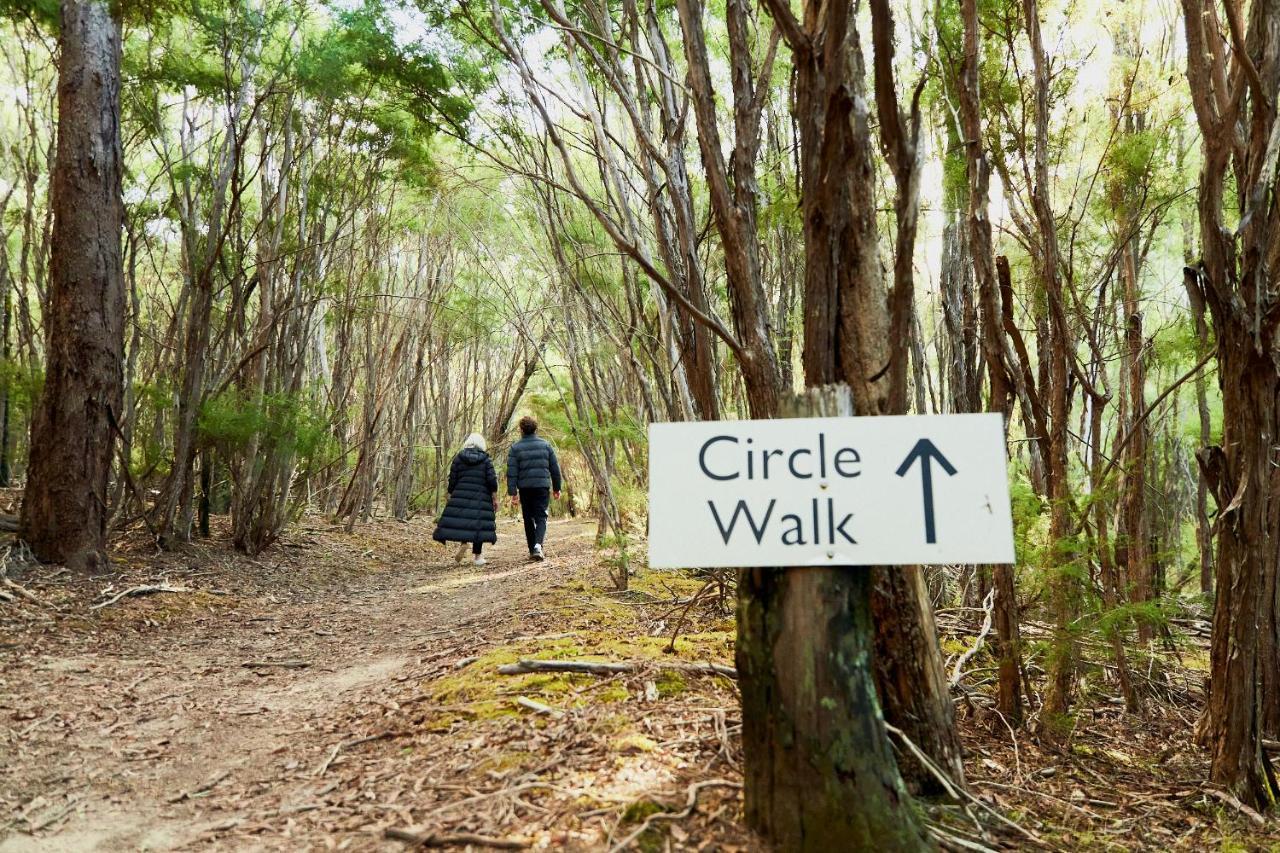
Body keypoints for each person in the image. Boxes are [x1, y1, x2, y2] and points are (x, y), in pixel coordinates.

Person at [432, 433, 498, 566]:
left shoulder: (459, 458)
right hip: (481, 496)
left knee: (464, 521)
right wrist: (494, 496)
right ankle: (478, 557)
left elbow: (453, 478)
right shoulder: (486, 460)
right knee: (478, 524)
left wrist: (450, 493)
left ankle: (464, 543)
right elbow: (491, 480)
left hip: (461, 494)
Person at [506, 416, 562, 560]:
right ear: (535, 429)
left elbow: (512, 471)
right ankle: (538, 546)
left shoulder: (515, 448)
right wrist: (557, 488)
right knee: (541, 516)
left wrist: (513, 493)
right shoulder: (546, 445)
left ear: (521, 430)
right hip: (542, 487)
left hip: (525, 488)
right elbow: (555, 469)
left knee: (528, 518)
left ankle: (533, 549)